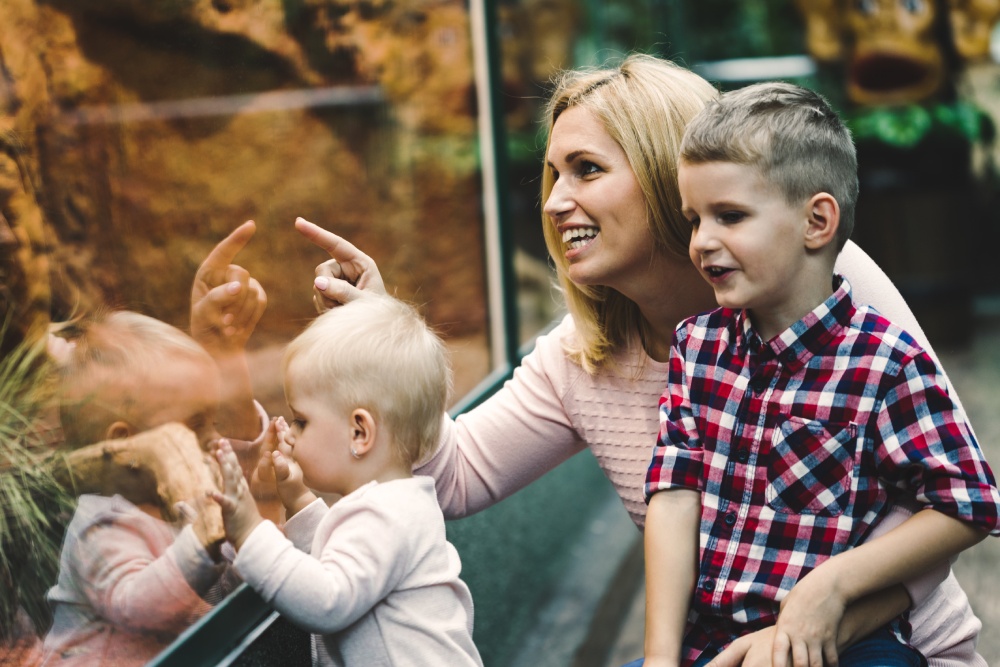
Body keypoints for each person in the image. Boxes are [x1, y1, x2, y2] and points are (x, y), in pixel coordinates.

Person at [293, 53, 988, 663]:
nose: (556, 201)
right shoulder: (582, 356)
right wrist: (380, 353)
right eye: (552, 175)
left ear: (665, 175)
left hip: (894, 645)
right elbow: (446, 477)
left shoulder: (821, 279)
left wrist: (820, 607)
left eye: (587, 170)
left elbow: (951, 492)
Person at [641, 81, 1000, 667]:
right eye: (694, 219)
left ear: (817, 222)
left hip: (844, 644)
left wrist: (831, 584)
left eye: (729, 215)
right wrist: (659, 658)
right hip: (708, 642)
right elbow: (675, 493)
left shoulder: (886, 362)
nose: (702, 241)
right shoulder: (696, 345)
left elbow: (969, 504)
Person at [210, 294, 483, 667]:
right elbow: (345, 554)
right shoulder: (396, 504)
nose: (291, 432)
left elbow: (327, 600)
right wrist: (298, 498)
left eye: (302, 420)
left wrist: (250, 533)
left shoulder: (385, 517)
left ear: (359, 433)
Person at [40, 223, 269, 666]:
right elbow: (142, 609)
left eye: (213, 419)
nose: (214, 437)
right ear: (127, 447)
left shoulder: (177, 497)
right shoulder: (103, 523)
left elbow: (213, 588)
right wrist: (203, 544)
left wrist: (249, 558)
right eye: (195, 424)